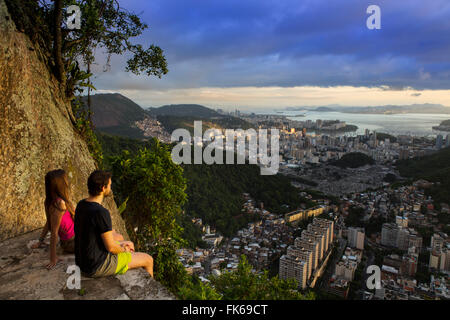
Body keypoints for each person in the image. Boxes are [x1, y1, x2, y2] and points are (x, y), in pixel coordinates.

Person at [74, 170, 154, 278]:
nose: (110, 188)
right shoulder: (101, 212)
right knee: (148, 260)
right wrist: (124, 250)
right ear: (103, 188)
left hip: (82, 262)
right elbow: (111, 248)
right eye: (110, 185)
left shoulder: (81, 204)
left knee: (129, 243)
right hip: (96, 265)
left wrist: (122, 245)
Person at [31, 169, 78, 269]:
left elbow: (48, 222)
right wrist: (53, 258)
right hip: (72, 242)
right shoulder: (59, 204)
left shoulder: (49, 201)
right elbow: (54, 232)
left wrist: (40, 240)